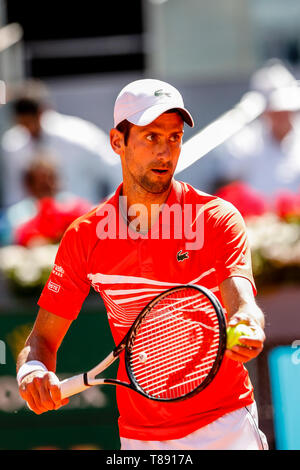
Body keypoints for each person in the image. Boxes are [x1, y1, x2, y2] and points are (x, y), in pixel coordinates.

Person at [16, 79, 268, 450]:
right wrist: (33, 371)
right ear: (118, 141)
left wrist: (247, 322)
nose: (165, 151)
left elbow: (242, 304)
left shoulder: (217, 218)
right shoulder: (84, 236)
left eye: (174, 137)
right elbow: (40, 341)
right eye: (151, 137)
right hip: (140, 438)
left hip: (226, 425)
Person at [179, 59, 300, 198]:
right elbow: (226, 187)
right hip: (256, 218)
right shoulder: (245, 143)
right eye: (277, 112)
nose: (283, 117)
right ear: (266, 112)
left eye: (287, 111)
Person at [1, 80, 122, 208]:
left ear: (42, 112)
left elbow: (114, 168)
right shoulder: (12, 145)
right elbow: (14, 194)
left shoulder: (77, 135)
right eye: (23, 124)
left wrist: (112, 210)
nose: (28, 129)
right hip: (36, 223)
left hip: (83, 218)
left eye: (30, 122)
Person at [4, 158, 92, 247]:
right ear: (30, 185)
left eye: (51, 178)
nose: (48, 185)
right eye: (42, 182)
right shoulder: (18, 213)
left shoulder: (73, 204)